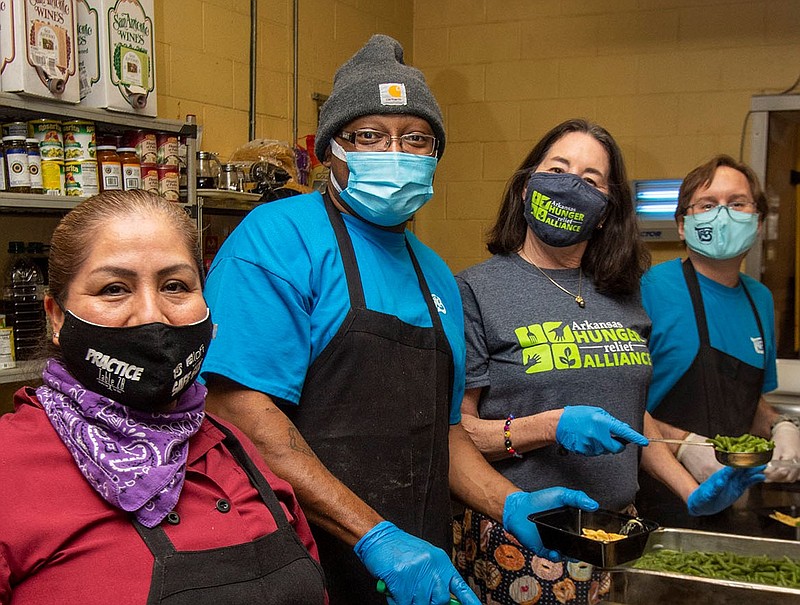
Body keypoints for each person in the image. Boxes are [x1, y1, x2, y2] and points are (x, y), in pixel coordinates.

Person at [200, 35, 599, 605]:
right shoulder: (278, 237)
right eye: (370, 136)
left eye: (416, 139)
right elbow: (240, 413)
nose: (396, 152)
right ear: (328, 149)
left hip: (416, 569)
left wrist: (505, 500)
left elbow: (445, 432)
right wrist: (376, 535)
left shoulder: (435, 273)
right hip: (299, 565)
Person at [453, 120, 764, 604]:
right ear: (525, 187)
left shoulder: (622, 296)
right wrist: (548, 425)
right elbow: (457, 434)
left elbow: (628, 418)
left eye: (592, 179)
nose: (573, 184)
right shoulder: (475, 290)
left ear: (604, 213)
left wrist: (689, 491)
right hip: (525, 543)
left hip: (619, 538)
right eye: (559, 168)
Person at [0, 191, 327, 604]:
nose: (153, 315)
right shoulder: (8, 466)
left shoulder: (233, 447)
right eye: (114, 289)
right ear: (57, 317)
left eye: (175, 286)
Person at [636, 154, 800, 529]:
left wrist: (780, 426)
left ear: (757, 222)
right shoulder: (648, 290)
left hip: (731, 497)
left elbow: (744, 399)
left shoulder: (759, 300)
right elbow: (618, 400)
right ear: (682, 224)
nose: (723, 215)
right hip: (653, 497)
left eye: (737, 203)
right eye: (708, 205)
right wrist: (683, 445)